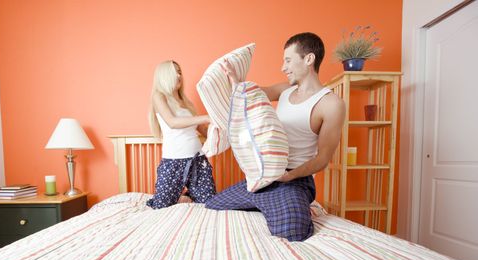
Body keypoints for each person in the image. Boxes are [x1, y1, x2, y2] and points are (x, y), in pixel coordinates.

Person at [205, 32, 345, 241]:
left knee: (294, 231)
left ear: (308, 59)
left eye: (288, 60)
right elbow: (249, 94)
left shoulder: (331, 104)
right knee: (213, 204)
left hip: (294, 180)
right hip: (266, 177)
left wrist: (290, 176)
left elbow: (322, 159)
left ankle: (276, 203)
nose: (283, 67)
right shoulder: (284, 91)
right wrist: (234, 78)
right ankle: (269, 203)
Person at [146, 60, 216, 209]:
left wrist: (219, 127)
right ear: (165, 76)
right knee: (160, 206)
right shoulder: (159, 96)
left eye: (180, 72)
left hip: (197, 159)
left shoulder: (186, 102)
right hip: (173, 161)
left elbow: (202, 130)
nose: (179, 75)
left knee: (209, 203)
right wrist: (205, 117)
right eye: (174, 72)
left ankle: (187, 195)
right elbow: (172, 122)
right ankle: (183, 195)